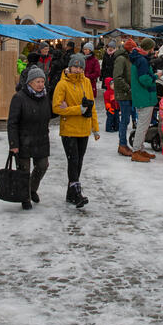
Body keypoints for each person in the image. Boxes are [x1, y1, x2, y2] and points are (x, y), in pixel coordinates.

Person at [52, 53, 99, 208]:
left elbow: (91, 107)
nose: (78, 70)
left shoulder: (86, 82)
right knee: (73, 161)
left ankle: (71, 193)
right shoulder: (62, 84)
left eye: (80, 67)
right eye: (75, 66)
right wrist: (77, 109)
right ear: (70, 66)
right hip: (69, 129)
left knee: (78, 162)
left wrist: (95, 128)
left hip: (84, 129)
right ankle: (77, 192)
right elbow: (56, 107)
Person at [7, 66, 53, 210]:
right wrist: (13, 143)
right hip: (23, 139)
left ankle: (32, 188)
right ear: (29, 83)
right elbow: (12, 123)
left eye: (42, 81)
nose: (40, 84)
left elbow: (50, 113)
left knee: (42, 166)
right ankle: (25, 196)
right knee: (24, 170)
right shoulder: (19, 97)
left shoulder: (45, 96)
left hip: (41, 138)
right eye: (37, 81)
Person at [128, 38, 159, 162]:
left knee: (143, 124)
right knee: (143, 125)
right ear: (149, 48)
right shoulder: (142, 60)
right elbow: (144, 79)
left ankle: (140, 149)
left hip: (141, 95)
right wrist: (156, 77)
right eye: (152, 47)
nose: (153, 50)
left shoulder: (138, 58)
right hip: (144, 96)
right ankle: (136, 151)